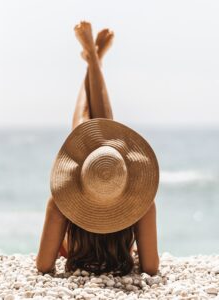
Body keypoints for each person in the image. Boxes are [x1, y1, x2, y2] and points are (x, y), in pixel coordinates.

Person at [36, 21, 159, 276]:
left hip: (74, 245)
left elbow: (44, 265)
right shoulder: (142, 202)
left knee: (85, 132)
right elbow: (150, 267)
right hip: (121, 250)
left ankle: (93, 58)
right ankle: (94, 59)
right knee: (99, 137)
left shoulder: (60, 201)